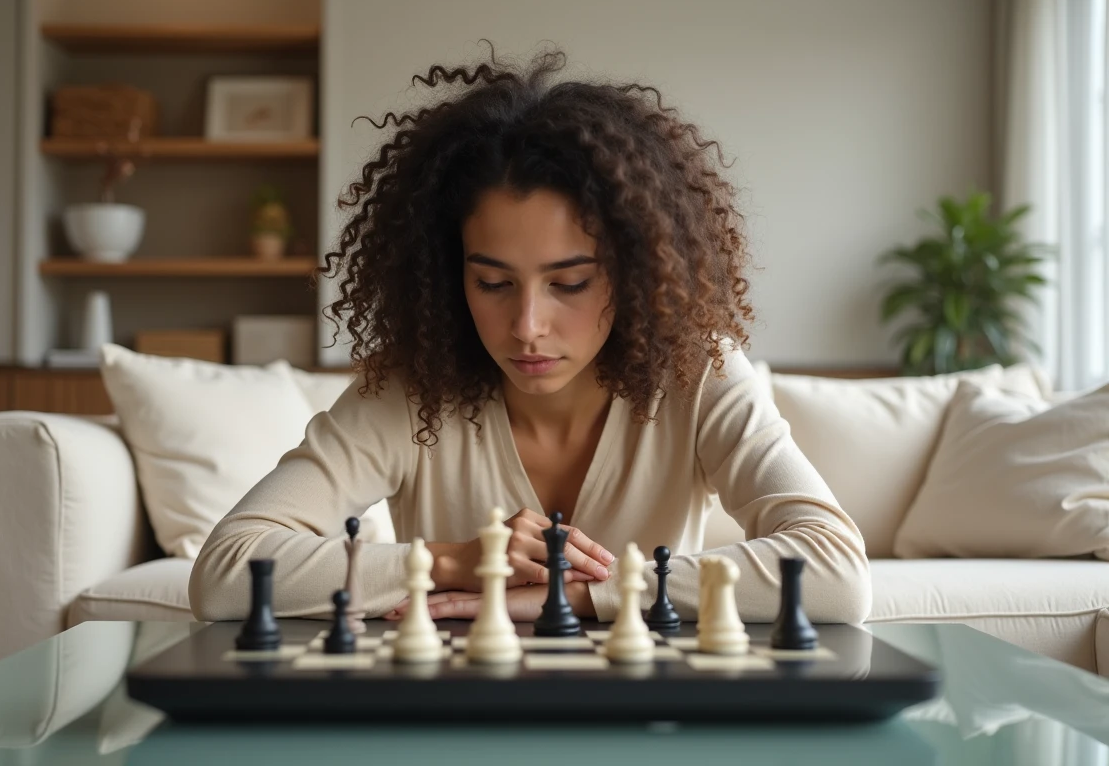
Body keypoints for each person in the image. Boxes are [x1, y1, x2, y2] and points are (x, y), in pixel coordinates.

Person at [188, 45, 871, 626]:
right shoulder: (409, 390)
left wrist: (577, 595)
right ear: (448, 275)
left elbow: (838, 573)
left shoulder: (700, 373)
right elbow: (224, 571)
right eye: (492, 283)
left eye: (569, 283)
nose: (526, 327)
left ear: (633, 274)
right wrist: (455, 562)